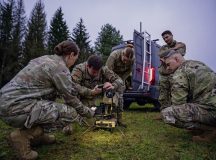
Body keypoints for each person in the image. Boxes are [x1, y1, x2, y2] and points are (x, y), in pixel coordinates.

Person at [0, 40, 94, 159]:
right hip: (15, 109)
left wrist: (89, 91)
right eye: (75, 58)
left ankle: (37, 137)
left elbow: (67, 87)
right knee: (70, 113)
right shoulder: (60, 68)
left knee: (50, 100)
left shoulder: (44, 59)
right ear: (71, 55)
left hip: (5, 104)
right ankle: (22, 136)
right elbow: (71, 99)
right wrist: (87, 112)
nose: (75, 61)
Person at [160, 49, 216, 142]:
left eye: (168, 64)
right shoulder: (198, 63)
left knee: (167, 114)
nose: (168, 68)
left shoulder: (180, 73)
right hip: (211, 105)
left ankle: (209, 130)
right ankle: (200, 129)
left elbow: (178, 103)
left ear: (176, 59)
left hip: (212, 112)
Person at [71, 55, 127, 127]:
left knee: (113, 90)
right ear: (88, 66)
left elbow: (119, 81)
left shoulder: (104, 69)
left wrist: (112, 85)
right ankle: (77, 116)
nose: (96, 74)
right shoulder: (79, 69)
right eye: (94, 72)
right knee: (88, 122)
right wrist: (91, 92)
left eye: (98, 72)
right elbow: (73, 86)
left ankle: (109, 115)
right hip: (84, 100)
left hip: (98, 99)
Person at [158, 30, 186, 110]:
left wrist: (166, 55)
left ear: (172, 35)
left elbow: (177, 55)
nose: (166, 39)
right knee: (163, 94)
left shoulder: (181, 45)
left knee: (176, 92)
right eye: (164, 39)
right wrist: (174, 49)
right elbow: (160, 54)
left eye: (167, 37)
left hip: (175, 73)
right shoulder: (163, 47)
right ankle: (164, 113)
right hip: (164, 74)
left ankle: (175, 111)